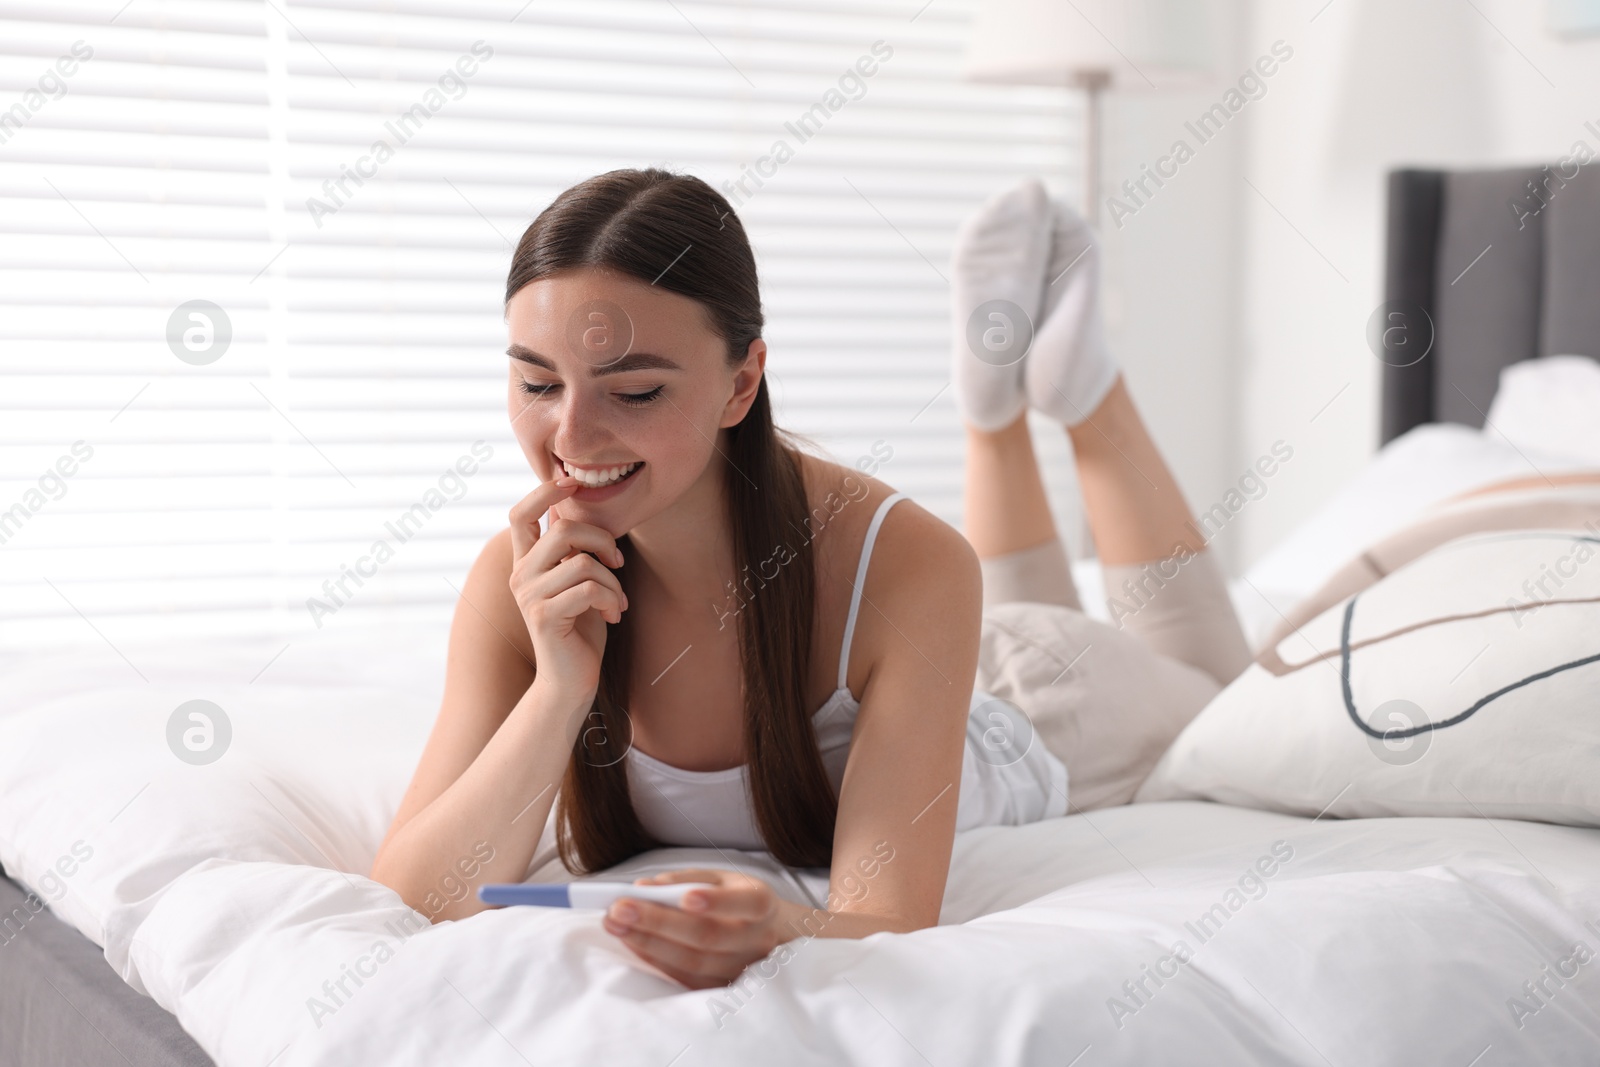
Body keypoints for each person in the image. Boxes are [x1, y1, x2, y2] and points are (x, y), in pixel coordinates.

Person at [369, 169, 1251, 989]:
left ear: (742, 381)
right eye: (536, 381)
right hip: (939, 664)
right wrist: (559, 691)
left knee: (1220, 692)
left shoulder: (910, 559)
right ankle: (997, 408)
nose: (571, 435)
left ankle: (1085, 396)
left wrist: (779, 928)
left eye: (633, 392)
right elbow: (412, 893)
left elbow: (887, 918)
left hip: (1047, 705)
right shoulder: (521, 578)